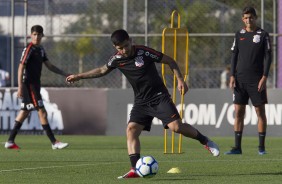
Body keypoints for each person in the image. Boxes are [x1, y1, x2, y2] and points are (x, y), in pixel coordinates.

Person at [66, 29, 220, 179]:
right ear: (115, 48)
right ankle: (134, 169)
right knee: (131, 129)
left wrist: (180, 79)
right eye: (120, 48)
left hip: (159, 96)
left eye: (126, 45)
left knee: (176, 127)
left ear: (130, 41)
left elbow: (170, 61)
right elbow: (101, 70)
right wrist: (79, 76)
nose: (125, 50)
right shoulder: (116, 59)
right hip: (141, 101)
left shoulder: (144, 52)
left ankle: (205, 141)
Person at [4, 25, 69, 150]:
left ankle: (10, 141)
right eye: (34, 34)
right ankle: (54, 142)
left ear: (42, 36)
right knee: (42, 112)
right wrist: (20, 87)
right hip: (30, 86)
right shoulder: (29, 49)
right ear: (30, 35)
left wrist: (65, 74)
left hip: (35, 85)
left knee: (24, 112)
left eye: (39, 34)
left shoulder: (40, 49)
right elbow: (21, 67)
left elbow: (50, 66)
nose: (37, 37)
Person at [225, 7, 272, 155]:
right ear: (242, 19)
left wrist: (264, 77)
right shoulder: (239, 34)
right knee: (239, 112)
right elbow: (234, 56)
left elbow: (269, 57)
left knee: (260, 111)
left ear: (255, 18)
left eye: (251, 17)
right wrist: (232, 76)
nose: (248, 20)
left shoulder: (263, 34)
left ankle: (261, 148)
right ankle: (237, 147)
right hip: (240, 80)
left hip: (257, 80)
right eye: (245, 18)